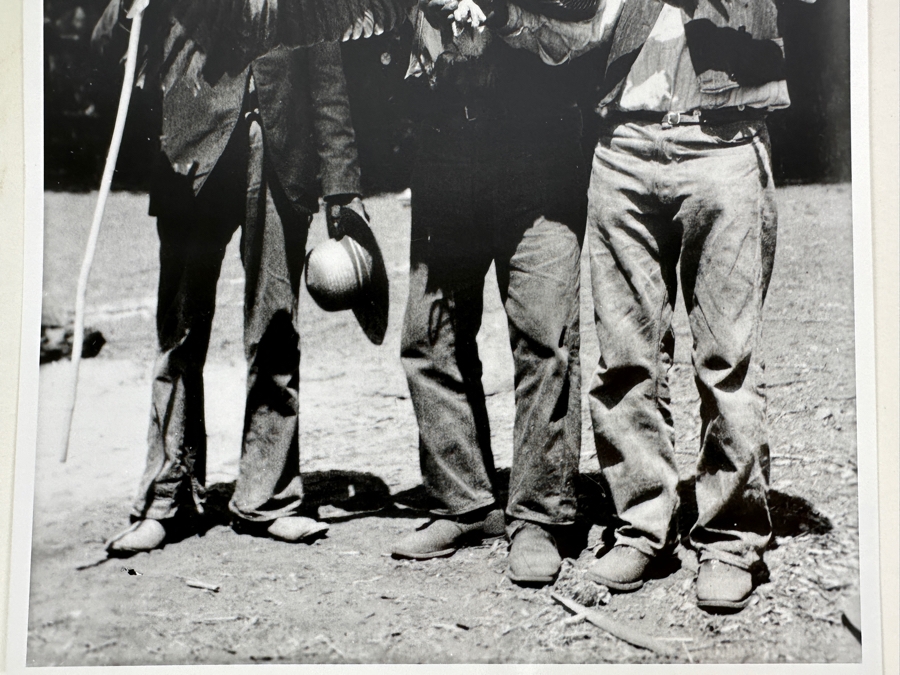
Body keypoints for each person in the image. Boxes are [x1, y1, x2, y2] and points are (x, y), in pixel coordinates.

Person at [497, 0, 809, 610]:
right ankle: (642, 524)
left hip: (725, 138)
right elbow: (568, 36)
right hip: (622, 145)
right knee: (625, 354)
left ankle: (730, 538)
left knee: (727, 359)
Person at [100, 5, 369, 552]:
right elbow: (108, 45)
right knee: (178, 330)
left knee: (274, 323)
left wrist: (341, 186)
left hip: (277, 154)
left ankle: (266, 498)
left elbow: (326, 73)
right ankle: (165, 500)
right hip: (190, 155)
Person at [391, 0, 595, 586]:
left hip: (540, 159)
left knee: (546, 334)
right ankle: (464, 503)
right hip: (443, 154)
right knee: (429, 334)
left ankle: (537, 515)